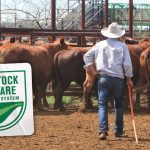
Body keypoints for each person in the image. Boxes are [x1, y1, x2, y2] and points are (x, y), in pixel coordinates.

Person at [83, 22, 133, 140]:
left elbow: (86, 56)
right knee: (119, 105)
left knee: (102, 105)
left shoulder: (100, 44)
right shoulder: (122, 46)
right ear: (118, 34)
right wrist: (129, 78)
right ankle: (118, 131)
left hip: (103, 78)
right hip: (118, 79)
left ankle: (103, 131)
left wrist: (91, 69)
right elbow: (127, 64)